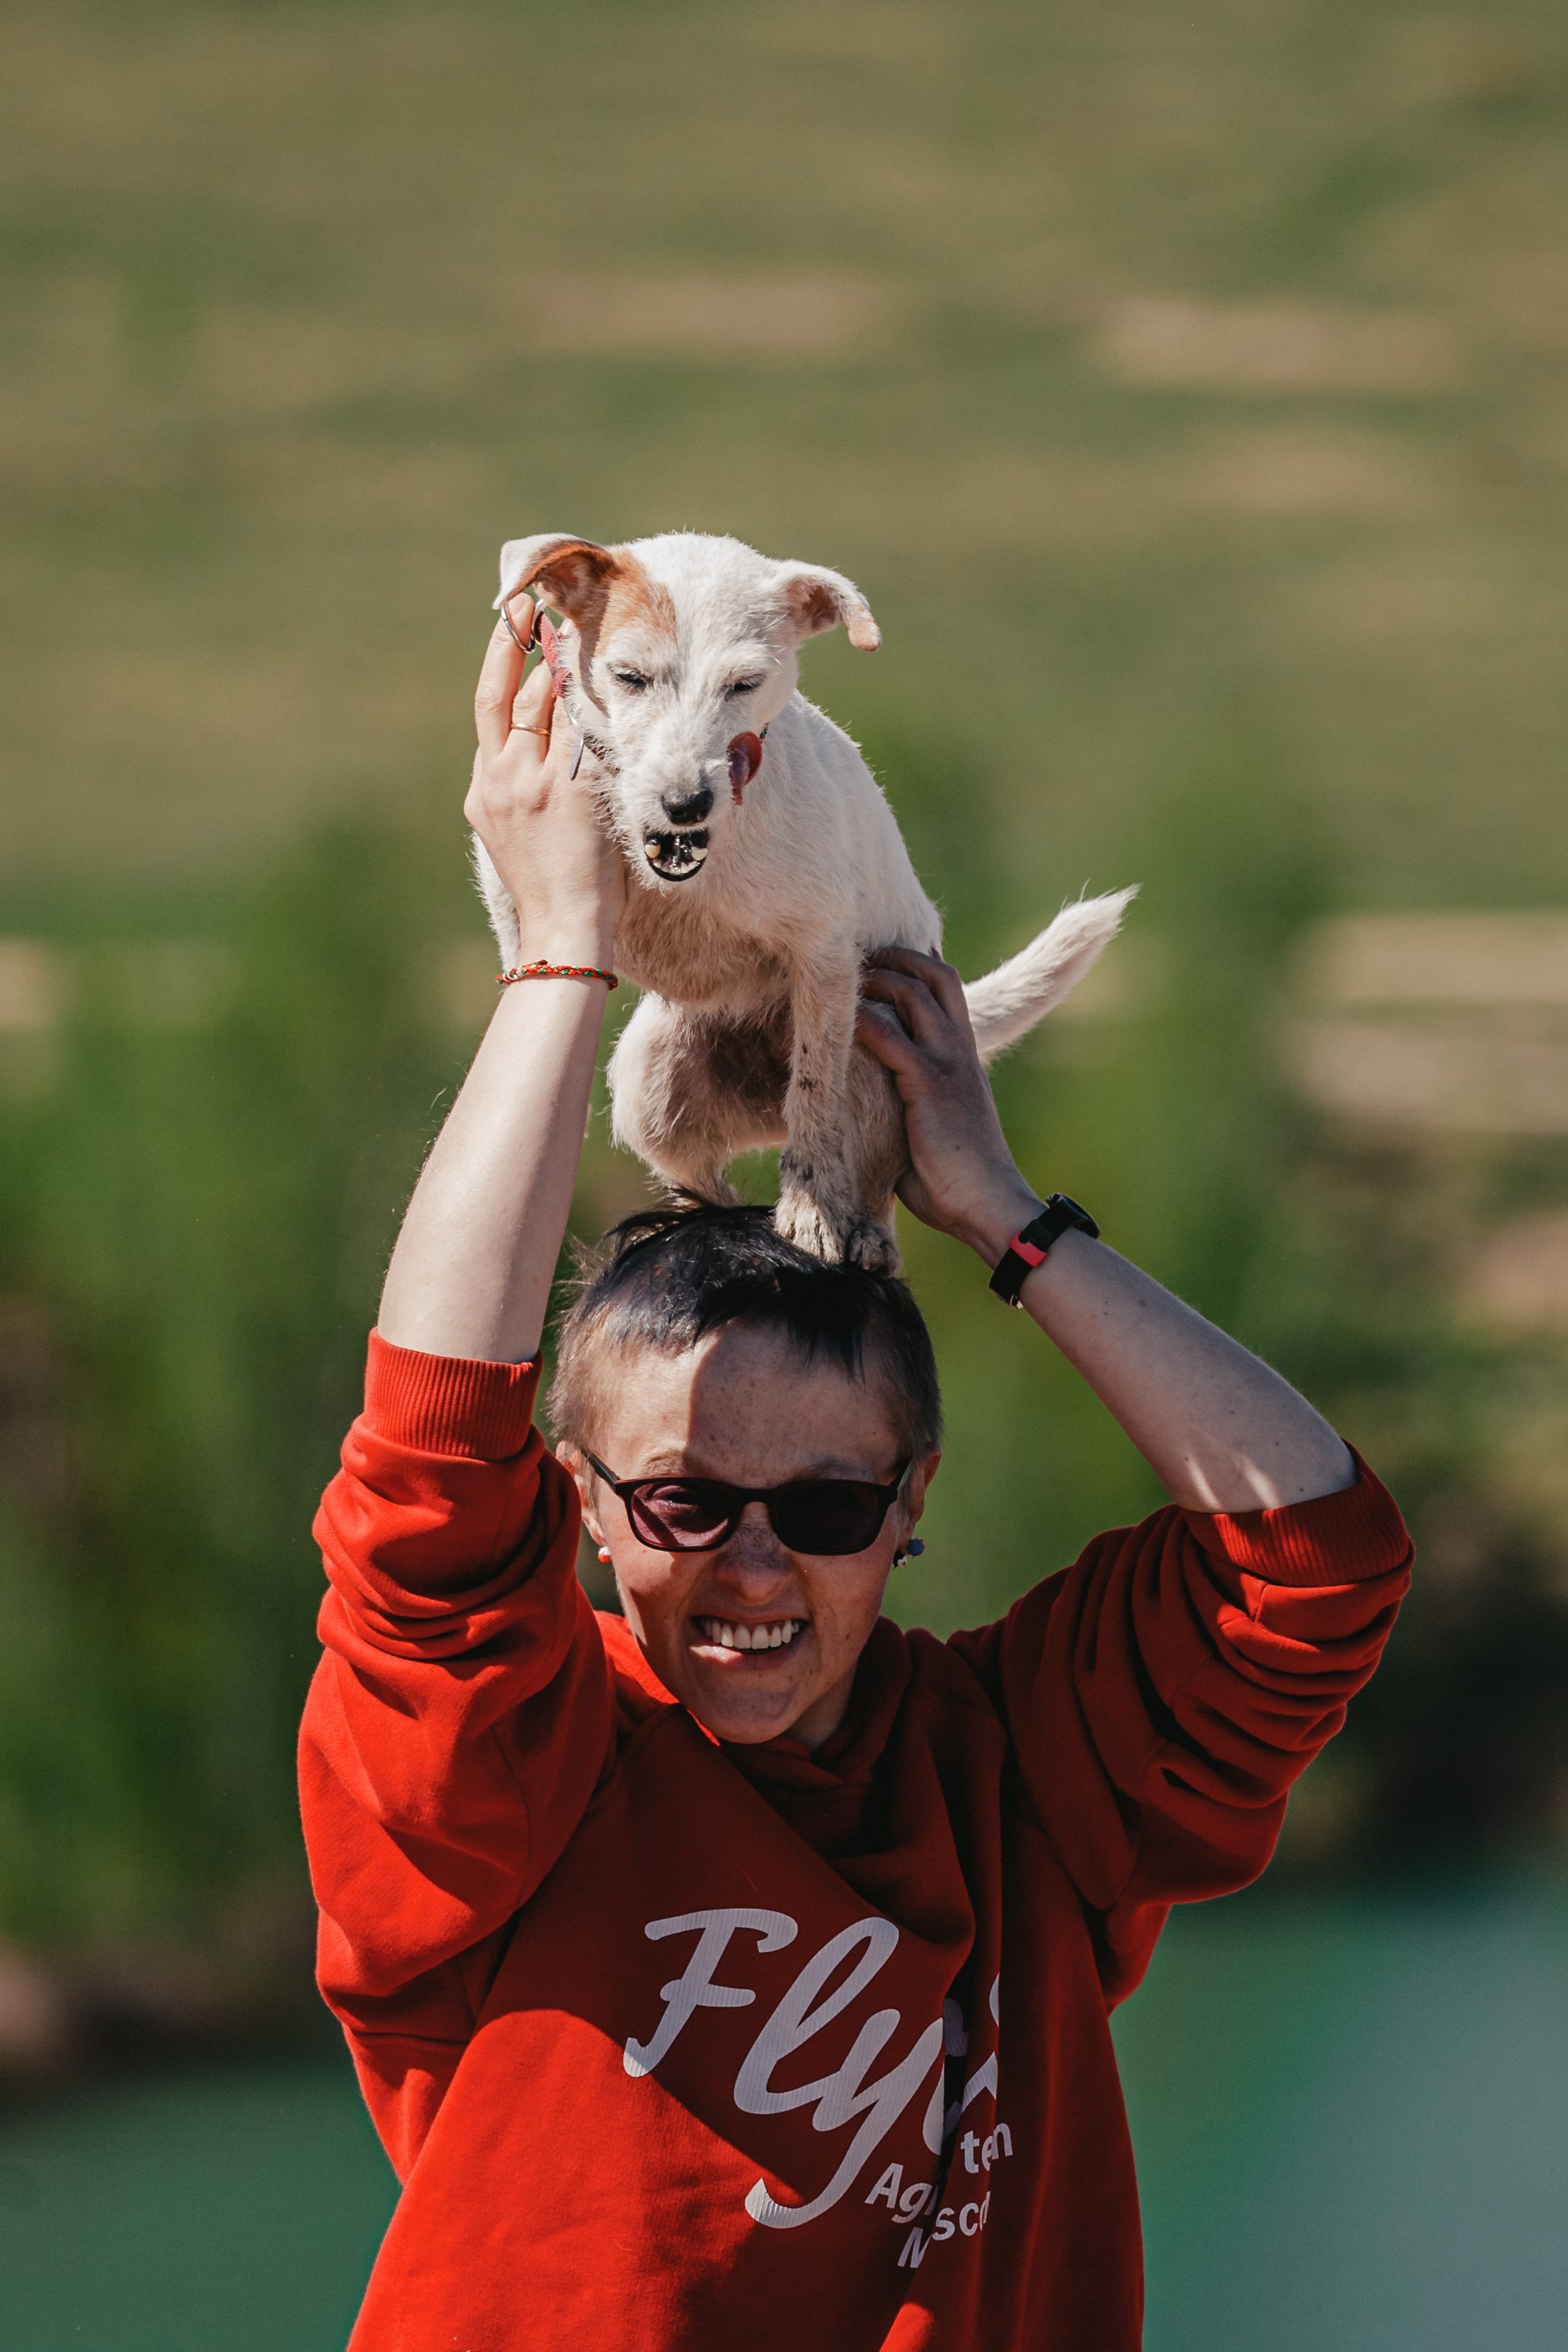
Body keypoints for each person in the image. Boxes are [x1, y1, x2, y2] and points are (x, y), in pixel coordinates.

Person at [299, 604, 1411, 2351]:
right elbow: (429, 1466)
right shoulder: (505, 1771)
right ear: (580, 1501)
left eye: (822, 1507)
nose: (752, 1565)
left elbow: (1320, 1559)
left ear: (911, 1504)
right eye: (680, 1501)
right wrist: (560, 965)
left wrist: (1004, 1214)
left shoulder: (1021, 1774)